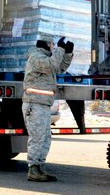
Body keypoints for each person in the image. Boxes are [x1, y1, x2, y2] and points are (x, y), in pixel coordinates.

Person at [22, 35, 74, 182]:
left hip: (43, 105)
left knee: (45, 138)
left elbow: (59, 68)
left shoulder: (48, 59)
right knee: (37, 137)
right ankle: (33, 169)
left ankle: (39, 167)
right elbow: (52, 65)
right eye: (51, 44)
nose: (53, 47)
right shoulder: (36, 57)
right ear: (46, 44)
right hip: (34, 104)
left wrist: (67, 53)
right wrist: (61, 49)